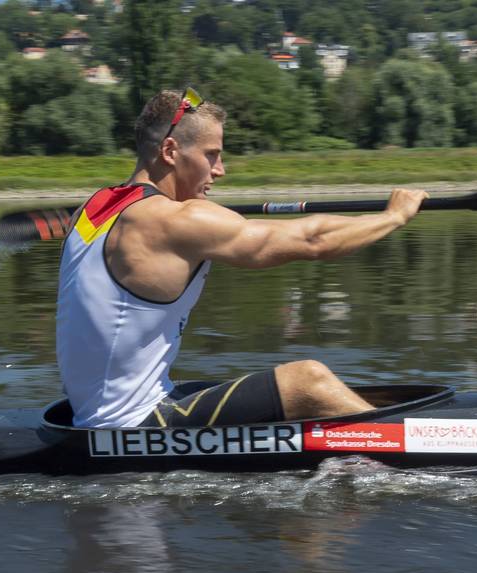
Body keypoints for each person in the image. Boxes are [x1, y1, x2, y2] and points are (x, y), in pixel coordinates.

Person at [56, 89, 428, 429]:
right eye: (211, 155)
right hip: (129, 421)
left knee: (275, 390)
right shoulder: (176, 220)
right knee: (307, 381)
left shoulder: (93, 209)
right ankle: (413, 446)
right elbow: (312, 240)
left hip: (99, 408)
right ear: (170, 152)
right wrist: (393, 217)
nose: (220, 170)